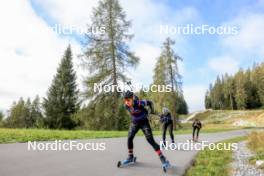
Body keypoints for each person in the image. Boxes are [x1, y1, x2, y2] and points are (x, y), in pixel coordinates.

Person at [123, 90, 169, 166]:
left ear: (132, 99)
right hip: (135, 123)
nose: (126, 102)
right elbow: (133, 113)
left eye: (128, 100)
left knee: (150, 140)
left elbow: (150, 102)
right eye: (125, 100)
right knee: (129, 138)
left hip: (144, 123)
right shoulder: (126, 106)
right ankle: (130, 157)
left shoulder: (139, 103)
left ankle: (162, 158)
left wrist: (150, 110)